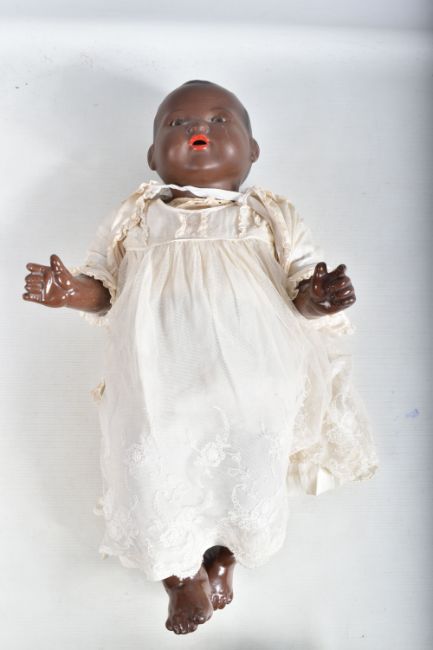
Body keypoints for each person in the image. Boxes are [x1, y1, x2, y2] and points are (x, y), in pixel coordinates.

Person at [22, 80, 378, 635]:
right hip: (157, 378)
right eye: (176, 123)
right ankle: (180, 575)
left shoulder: (268, 215)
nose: (196, 129)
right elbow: (105, 289)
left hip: (252, 377)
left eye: (218, 120)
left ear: (252, 150)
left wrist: (320, 297)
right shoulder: (137, 216)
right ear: (153, 156)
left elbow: (299, 291)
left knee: (247, 462)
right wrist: (70, 291)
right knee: (150, 463)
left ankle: (224, 556)